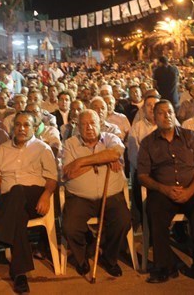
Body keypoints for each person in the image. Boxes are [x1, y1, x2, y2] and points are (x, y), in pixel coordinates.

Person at [0, 112, 58, 294]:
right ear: (13, 128)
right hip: (7, 202)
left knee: (18, 190)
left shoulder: (43, 149)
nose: (21, 128)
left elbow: (52, 179)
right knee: (17, 212)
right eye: (18, 125)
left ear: (34, 128)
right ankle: (19, 275)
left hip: (35, 200)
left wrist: (46, 195)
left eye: (26, 125)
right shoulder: (2, 150)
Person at [138, 100, 194, 285]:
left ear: (175, 115)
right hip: (163, 190)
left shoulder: (191, 137)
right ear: (154, 118)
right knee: (154, 208)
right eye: (161, 113)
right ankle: (164, 266)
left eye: (170, 112)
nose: (167, 116)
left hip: (192, 188)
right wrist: (163, 188)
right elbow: (142, 175)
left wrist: (190, 191)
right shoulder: (148, 143)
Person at [61, 110, 130, 278]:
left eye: (92, 123)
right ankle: (82, 256)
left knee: (123, 221)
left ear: (100, 123)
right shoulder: (70, 144)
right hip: (79, 198)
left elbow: (115, 153)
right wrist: (102, 160)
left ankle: (109, 257)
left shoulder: (110, 138)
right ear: (78, 126)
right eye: (84, 124)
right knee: (69, 227)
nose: (89, 127)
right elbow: (69, 173)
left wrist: (81, 162)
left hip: (112, 195)